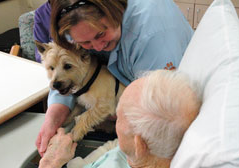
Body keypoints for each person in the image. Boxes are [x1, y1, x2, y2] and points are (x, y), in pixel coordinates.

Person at [36, 0, 194, 157]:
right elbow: (71, 66)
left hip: (172, 115)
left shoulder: (152, 37)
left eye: (101, 34)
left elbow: (164, 115)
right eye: (84, 43)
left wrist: (112, 112)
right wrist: (53, 117)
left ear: (113, 9)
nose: (97, 47)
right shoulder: (78, 25)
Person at [38, 69, 202, 168]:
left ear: (139, 144)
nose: (114, 118)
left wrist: (50, 163)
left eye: (120, 114)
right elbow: (115, 149)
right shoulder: (154, 149)